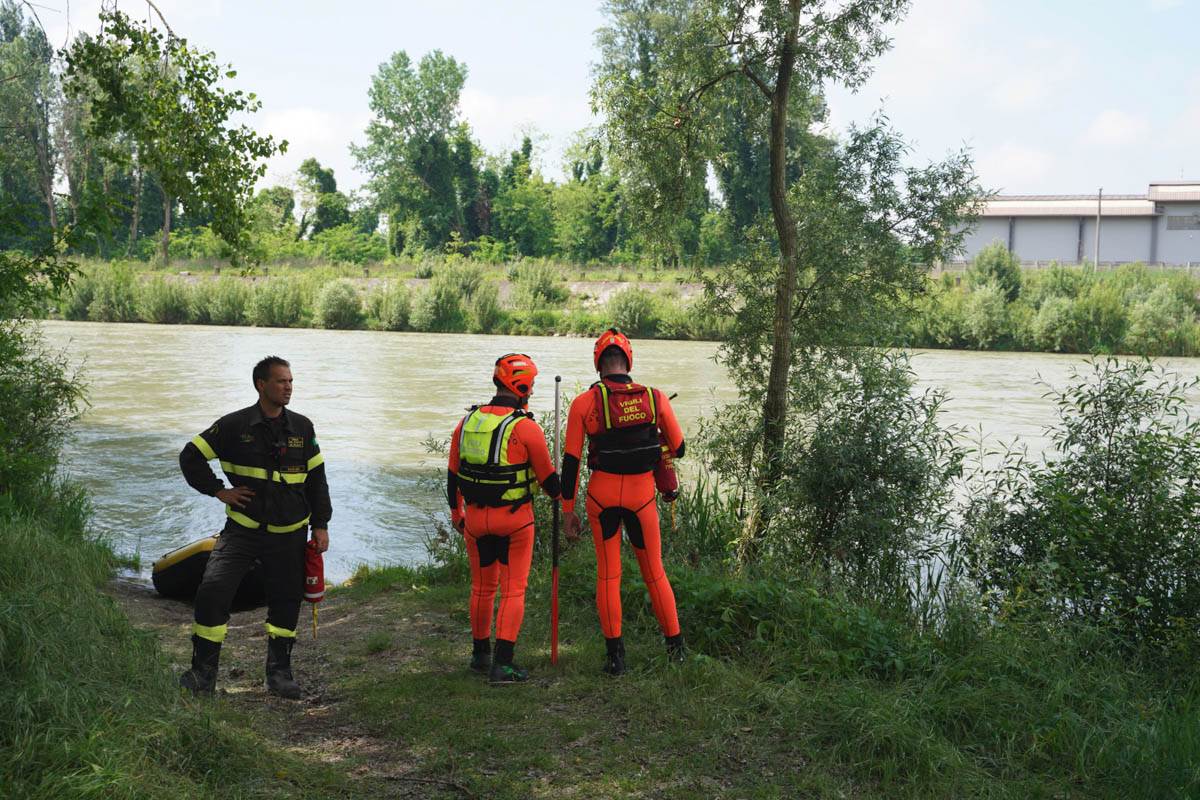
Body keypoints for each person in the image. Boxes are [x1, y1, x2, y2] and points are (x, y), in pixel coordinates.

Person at [177, 356, 331, 698]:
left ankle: (280, 675)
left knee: (287, 602)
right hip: (243, 531)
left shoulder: (303, 428)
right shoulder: (234, 426)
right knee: (213, 591)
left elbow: (317, 480)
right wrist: (219, 490)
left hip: (290, 535)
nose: (288, 387)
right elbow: (190, 456)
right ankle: (202, 675)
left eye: (291, 381)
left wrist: (321, 525)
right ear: (261, 385)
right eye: (281, 381)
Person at [561, 329, 686, 675]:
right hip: (642, 497)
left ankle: (615, 658)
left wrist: (567, 511)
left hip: (601, 498)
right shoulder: (655, 398)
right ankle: (676, 649)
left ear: (598, 364)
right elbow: (679, 448)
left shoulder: (584, 404)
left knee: (608, 576)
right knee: (655, 574)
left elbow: (570, 463)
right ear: (628, 360)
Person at [447, 353, 560, 683]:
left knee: (483, 588)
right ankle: (504, 664)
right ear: (521, 385)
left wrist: (457, 512)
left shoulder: (466, 422)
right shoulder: (526, 428)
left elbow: (453, 476)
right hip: (515, 523)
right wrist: (565, 493)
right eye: (532, 384)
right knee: (513, 590)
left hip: (476, 522)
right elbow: (551, 484)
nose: (534, 390)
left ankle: (480, 656)